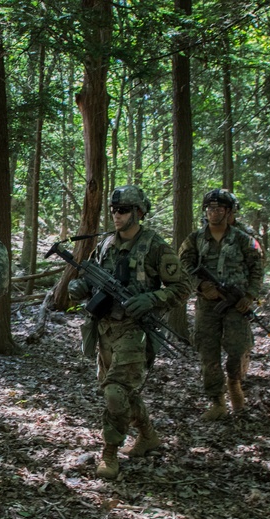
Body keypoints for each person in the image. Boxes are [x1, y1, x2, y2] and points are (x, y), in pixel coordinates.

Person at [68, 186, 191, 480]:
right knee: (121, 393)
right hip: (105, 330)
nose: (116, 215)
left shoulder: (155, 246)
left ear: (138, 212)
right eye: (113, 210)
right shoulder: (106, 245)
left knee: (114, 393)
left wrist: (153, 298)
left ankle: (109, 454)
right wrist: (80, 288)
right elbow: (91, 279)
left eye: (122, 210)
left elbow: (183, 286)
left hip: (135, 331)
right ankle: (148, 435)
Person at [179, 189, 263, 420]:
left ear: (229, 212)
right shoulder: (195, 239)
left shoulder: (244, 239)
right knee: (208, 352)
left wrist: (250, 295)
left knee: (238, 348)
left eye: (219, 209)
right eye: (210, 208)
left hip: (237, 305)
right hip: (208, 306)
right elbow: (183, 266)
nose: (214, 213)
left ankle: (234, 383)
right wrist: (201, 285)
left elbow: (257, 268)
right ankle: (217, 401)